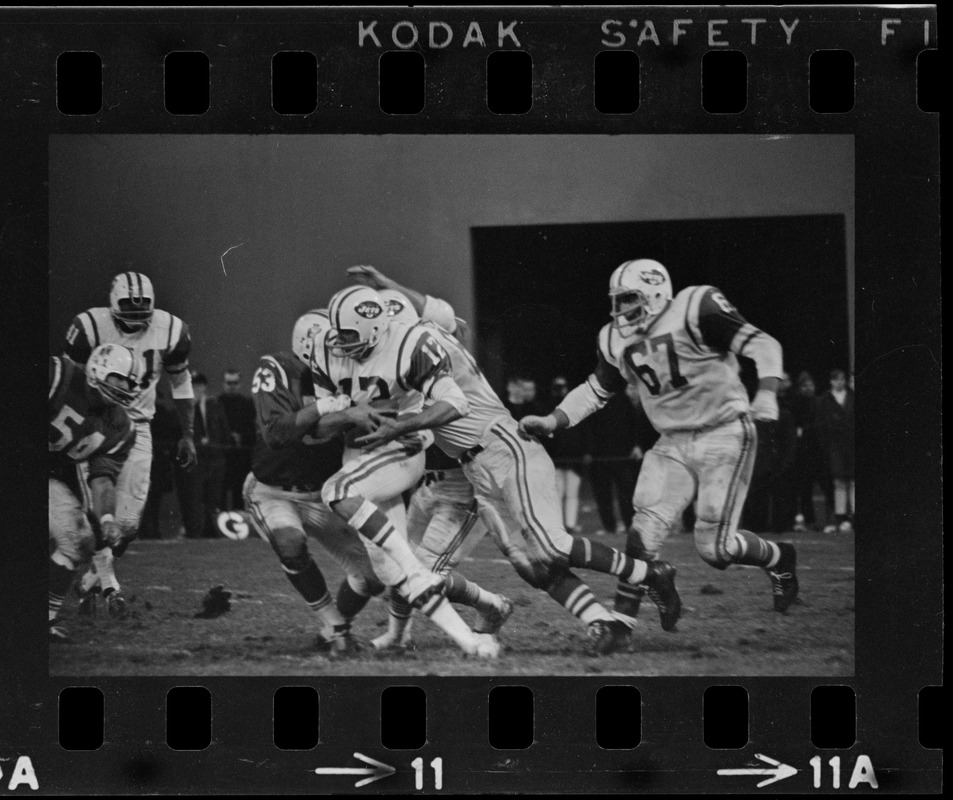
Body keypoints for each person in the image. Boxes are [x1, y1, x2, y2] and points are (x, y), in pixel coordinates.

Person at [343, 272, 680, 657]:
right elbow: (444, 317)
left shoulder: (418, 346)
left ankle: (651, 574)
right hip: (474, 466)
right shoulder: (423, 337)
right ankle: (603, 623)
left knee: (551, 544)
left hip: (501, 446)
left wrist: (395, 425)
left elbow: (445, 402)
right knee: (531, 565)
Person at [520, 259, 800, 628]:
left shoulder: (696, 306)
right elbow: (596, 390)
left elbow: (764, 345)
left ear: (655, 292)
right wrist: (553, 419)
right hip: (673, 441)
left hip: (725, 430)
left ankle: (778, 558)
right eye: (616, 300)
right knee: (644, 529)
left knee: (715, 549)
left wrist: (767, 394)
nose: (620, 309)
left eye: (628, 298)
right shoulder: (614, 337)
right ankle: (623, 620)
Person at [311, 286, 500, 659]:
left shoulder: (411, 343)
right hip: (360, 455)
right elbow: (318, 431)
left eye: (348, 334)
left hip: (400, 450)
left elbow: (455, 402)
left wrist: (404, 427)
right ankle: (470, 640)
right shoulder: (326, 350)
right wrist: (344, 413)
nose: (338, 342)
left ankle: (417, 572)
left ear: (374, 329)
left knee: (336, 491)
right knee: (387, 568)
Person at [241, 311, 399, 655]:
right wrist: (325, 408)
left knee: (373, 578)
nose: (341, 351)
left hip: (324, 493)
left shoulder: (352, 374)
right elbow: (278, 433)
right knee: (290, 543)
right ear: (307, 345)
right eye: (334, 344)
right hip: (273, 490)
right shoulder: (279, 368)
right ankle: (335, 624)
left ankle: (334, 628)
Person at [64, 272, 197, 616]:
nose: (137, 315)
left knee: (127, 526)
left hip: (138, 426)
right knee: (98, 509)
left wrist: (188, 433)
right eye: (129, 306)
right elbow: (69, 381)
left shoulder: (171, 331)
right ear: (113, 304)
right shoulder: (89, 326)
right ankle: (110, 587)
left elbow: (181, 385)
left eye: (143, 308)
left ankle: (91, 579)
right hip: (95, 423)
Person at [49, 345, 143, 639]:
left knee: (79, 541)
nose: (125, 387)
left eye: (130, 383)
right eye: (120, 378)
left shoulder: (119, 426)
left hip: (52, 474)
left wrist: (106, 519)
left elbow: (102, 480)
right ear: (98, 368)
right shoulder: (59, 374)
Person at [185, 373, 230, 538]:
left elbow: (224, 429)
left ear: (205, 387)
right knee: (195, 497)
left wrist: (222, 451)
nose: (197, 389)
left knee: (214, 497)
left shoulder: (215, 405)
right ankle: (196, 533)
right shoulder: (186, 406)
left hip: (215, 457)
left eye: (200, 385)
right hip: (197, 458)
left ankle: (214, 532)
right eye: (194, 386)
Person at [543, 376, 588, 534]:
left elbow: (582, 433)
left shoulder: (574, 409)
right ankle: (560, 524)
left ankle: (570, 524)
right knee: (558, 493)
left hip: (573, 457)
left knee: (571, 493)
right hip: (557, 458)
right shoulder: (549, 409)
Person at [817, 368, 855, 533]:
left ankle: (854, 515)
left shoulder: (853, 397)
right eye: (836, 379)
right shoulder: (825, 400)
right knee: (839, 481)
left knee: (853, 481)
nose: (839, 382)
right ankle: (840, 516)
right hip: (835, 447)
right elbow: (821, 426)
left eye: (841, 379)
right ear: (831, 381)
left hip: (852, 446)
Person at [218, 369, 256, 511]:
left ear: (239, 384)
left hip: (241, 457)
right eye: (229, 383)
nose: (232, 386)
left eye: (235, 383)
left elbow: (252, 429)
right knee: (220, 493)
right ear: (224, 384)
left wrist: (241, 436)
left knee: (239, 494)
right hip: (223, 455)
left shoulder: (246, 404)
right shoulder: (217, 403)